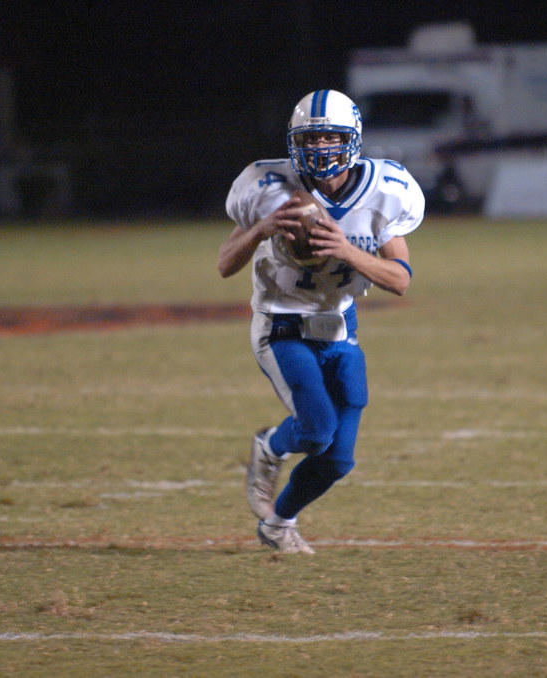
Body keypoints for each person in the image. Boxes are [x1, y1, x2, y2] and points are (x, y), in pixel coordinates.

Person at [219, 89, 425, 554]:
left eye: (331, 137)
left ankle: (278, 524)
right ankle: (271, 445)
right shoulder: (267, 186)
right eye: (310, 139)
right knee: (314, 429)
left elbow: (400, 279)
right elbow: (225, 263)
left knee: (338, 460)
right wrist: (259, 231)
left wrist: (346, 250)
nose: (320, 148)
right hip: (282, 324)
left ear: (352, 139)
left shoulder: (385, 189)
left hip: (340, 326)